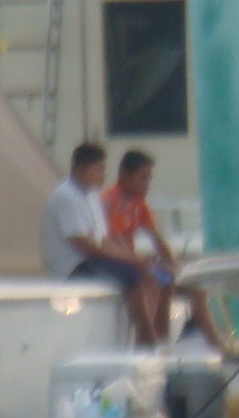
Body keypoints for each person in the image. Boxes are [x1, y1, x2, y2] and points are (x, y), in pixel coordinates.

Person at [103, 150, 227, 351]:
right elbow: (115, 243)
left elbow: (157, 239)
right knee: (157, 280)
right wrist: (149, 263)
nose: (147, 185)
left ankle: (216, 345)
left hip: (136, 260)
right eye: (142, 178)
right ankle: (150, 343)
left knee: (195, 287)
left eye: (148, 179)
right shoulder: (110, 202)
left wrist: (176, 265)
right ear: (125, 176)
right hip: (121, 262)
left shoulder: (138, 203)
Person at [42, 141, 162, 344]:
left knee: (153, 276)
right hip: (73, 266)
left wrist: (134, 258)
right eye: (99, 169)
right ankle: (147, 340)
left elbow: (105, 239)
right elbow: (85, 245)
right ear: (82, 169)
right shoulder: (65, 197)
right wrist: (132, 262)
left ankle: (150, 335)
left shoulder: (91, 195)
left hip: (92, 260)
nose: (103, 174)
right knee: (137, 275)